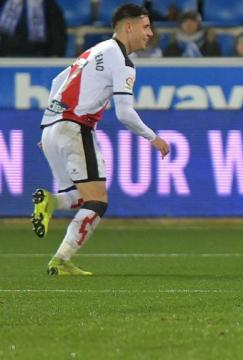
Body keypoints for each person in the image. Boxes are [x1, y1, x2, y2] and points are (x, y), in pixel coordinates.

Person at [32, 4, 170, 276]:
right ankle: (60, 261)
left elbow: (56, 82)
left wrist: (52, 119)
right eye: (145, 27)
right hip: (75, 128)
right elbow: (125, 113)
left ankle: (48, 202)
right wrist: (153, 138)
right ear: (128, 27)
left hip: (52, 128)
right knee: (98, 201)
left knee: (78, 197)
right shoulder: (122, 62)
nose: (150, 33)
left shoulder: (94, 50)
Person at [0, 0, 67, 57]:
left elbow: (58, 33)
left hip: (40, 55)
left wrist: (56, 55)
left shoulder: (48, 4)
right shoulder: (4, 2)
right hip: (6, 54)